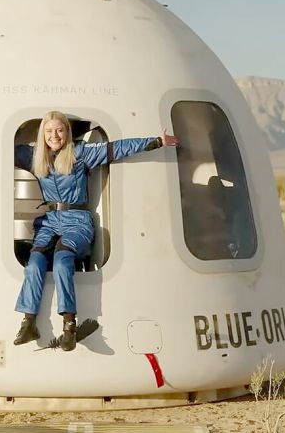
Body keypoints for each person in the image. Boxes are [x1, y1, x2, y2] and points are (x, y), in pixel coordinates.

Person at [11, 111, 179, 351]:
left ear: (67, 132)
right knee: (35, 262)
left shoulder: (80, 154)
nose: (54, 136)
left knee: (62, 260)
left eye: (59, 130)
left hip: (77, 219)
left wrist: (156, 142)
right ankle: (29, 322)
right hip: (50, 220)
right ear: (42, 134)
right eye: (48, 131)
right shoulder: (34, 156)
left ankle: (69, 324)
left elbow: (116, 149)